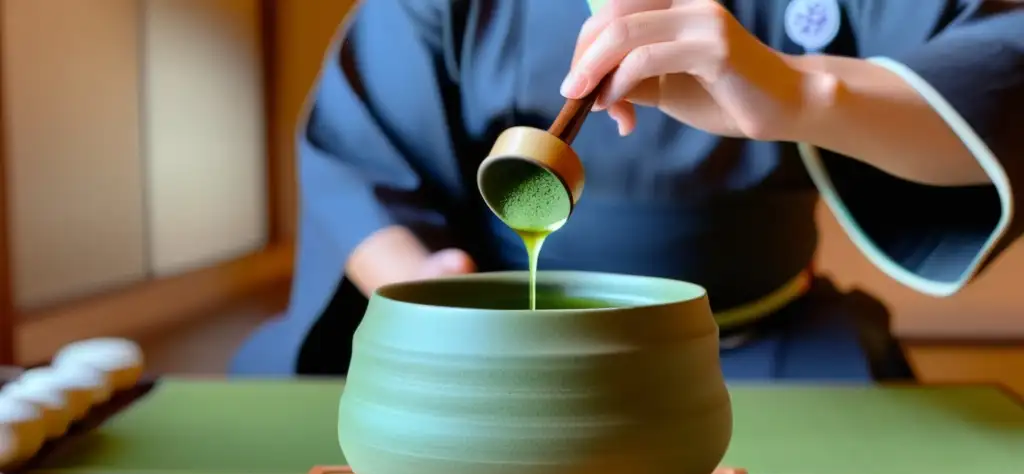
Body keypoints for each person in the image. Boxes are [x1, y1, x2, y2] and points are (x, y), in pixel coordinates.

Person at [231, 0, 1023, 381]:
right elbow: (359, 157)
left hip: (755, 344)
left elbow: (1000, 81)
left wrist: (804, 93)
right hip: (503, 351)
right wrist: (420, 288)